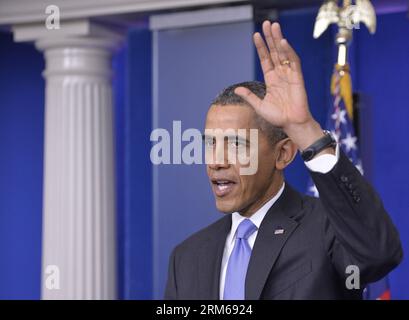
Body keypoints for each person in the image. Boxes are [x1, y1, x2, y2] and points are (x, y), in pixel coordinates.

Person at [164, 21, 403, 300]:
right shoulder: (187, 257)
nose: (216, 161)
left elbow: (380, 253)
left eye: (236, 144)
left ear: (282, 154)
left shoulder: (326, 231)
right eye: (210, 143)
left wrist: (304, 128)